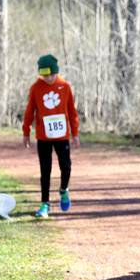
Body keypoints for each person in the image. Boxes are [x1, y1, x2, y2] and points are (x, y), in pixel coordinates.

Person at [22, 54, 80, 218]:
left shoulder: (65, 86)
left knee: (66, 166)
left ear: (56, 72)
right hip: (43, 137)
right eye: (44, 75)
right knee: (45, 170)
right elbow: (29, 111)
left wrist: (75, 133)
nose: (48, 78)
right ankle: (44, 204)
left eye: (51, 75)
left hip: (62, 136)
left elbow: (72, 112)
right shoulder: (36, 88)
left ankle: (63, 190)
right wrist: (26, 132)